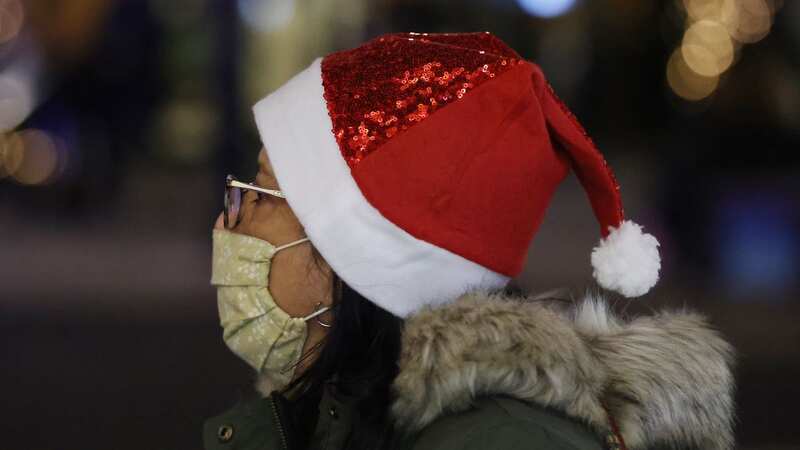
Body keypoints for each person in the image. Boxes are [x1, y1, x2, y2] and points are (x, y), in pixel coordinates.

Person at [205, 32, 735, 450]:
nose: (229, 223)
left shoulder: (503, 442)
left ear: (361, 258)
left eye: (261, 194)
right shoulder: (338, 404)